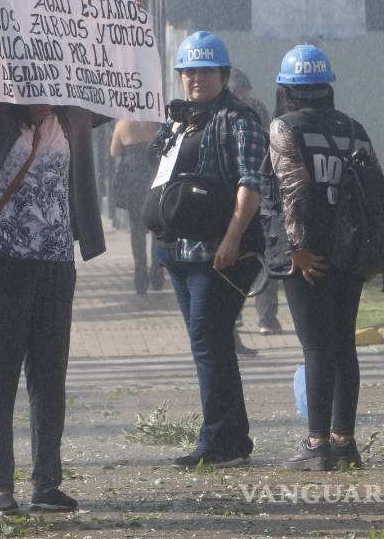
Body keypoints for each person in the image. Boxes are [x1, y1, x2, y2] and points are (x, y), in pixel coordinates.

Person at [0, 0, 109, 515]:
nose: (47, 91)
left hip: (54, 265)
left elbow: (115, 83)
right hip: (0, 264)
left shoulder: (72, 119)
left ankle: (47, 483)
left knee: (49, 378)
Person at [150, 31, 266, 469]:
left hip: (217, 256)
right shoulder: (181, 120)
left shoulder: (239, 120)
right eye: (189, 71)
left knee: (209, 342)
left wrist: (233, 238)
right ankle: (231, 440)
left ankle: (219, 441)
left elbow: (250, 183)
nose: (195, 78)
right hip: (179, 254)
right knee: (210, 344)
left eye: (204, 71)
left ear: (223, 74)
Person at [267, 45, 374, 471]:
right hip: (351, 255)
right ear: (325, 86)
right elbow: (376, 191)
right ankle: (344, 441)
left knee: (316, 348)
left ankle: (316, 444)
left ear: (288, 89)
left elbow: (292, 191)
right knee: (344, 346)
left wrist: (296, 250)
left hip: (310, 258)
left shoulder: (284, 127)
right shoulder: (354, 129)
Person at [228, 69, 282, 336]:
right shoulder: (255, 110)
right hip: (259, 195)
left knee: (242, 258)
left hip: (239, 198)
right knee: (263, 258)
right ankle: (265, 317)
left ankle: (241, 314)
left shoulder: (225, 113)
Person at [110, 119, 165, 294]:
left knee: (137, 231)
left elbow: (115, 151)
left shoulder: (123, 124)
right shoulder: (156, 122)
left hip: (132, 180)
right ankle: (157, 274)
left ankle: (140, 278)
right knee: (157, 227)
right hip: (153, 177)